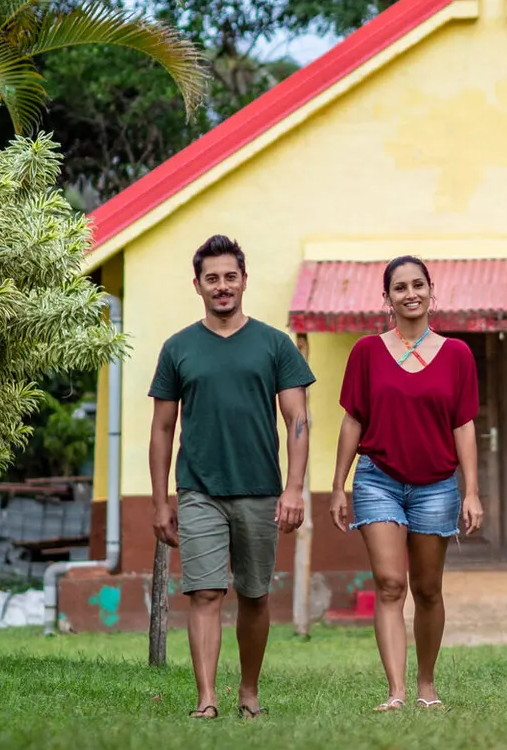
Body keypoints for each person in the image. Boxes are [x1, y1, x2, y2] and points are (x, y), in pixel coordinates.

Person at [148, 235, 314, 720]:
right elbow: (161, 429)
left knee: (255, 594)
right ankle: (206, 699)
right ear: (197, 285)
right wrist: (161, 502)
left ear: (244, 280)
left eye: (230, 277)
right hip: (199, 488)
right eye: (212, 278)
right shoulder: (178, 348)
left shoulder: (275, 345)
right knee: (204, 592)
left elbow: (298, 421)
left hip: (262, 490)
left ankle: (248, 692)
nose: (222, 286)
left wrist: (295, 488)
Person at [329, 256, 484, 712]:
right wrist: (338, 484)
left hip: (437, 485)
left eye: (418, 285)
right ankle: (396, 692)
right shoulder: (366, 352)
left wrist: (471, 490)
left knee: (428, 588)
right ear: (387, 298)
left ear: (431, 291)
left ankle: (426, 685)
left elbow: (464, 425)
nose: (410, 293)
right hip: (378, 479)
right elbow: (352, 420)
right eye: (400, 287)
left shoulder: (457, 354)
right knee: (391, 583)